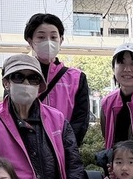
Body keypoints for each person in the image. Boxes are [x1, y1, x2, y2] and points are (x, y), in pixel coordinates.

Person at [24, 13, 92, 145]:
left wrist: (65, 146)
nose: (48, 42)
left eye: (53, 37)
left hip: (62, 149)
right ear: (30, 41)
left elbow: (81, 120)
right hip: (27, 149)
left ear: (61, 40)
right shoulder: (19, 76)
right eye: (41, 37)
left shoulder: (77, 78)